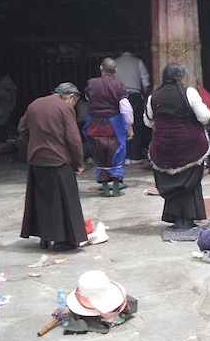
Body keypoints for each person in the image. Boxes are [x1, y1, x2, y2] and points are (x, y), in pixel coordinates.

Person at [18, 82, 88, 252]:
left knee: (42, 202)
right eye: (74, 103)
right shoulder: (64, 108)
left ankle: (44, 237)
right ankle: (63, 241)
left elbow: (22, 129)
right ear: (71, 97)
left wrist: (36, 143)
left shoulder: (34, 104)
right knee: (63, 203)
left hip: (36, 160)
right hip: (58, 161)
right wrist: (79, 162)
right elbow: (73, 138)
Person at [144, 63, 210, 231]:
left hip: (164, 148)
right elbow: (204, 117)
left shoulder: (155, 96)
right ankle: (188, 219)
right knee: (190, 182)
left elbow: (147, 121)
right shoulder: (189, 92)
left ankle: (175, 219)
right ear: (181, 77)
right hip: (190, 148)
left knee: (173, 180)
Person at [82, 57, 134, 196]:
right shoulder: (119, 85)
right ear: (115, 70)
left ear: (101, 68)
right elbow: (126, 108)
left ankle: (105, 190)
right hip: (114, 126)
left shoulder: (91, 83)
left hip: (94, 125)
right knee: (116, 155)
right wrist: (129, 126)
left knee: (100, 156)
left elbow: (88, 98)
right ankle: (116, 189)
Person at [113, 47, 151, 164]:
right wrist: (143, 95)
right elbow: (145, 82)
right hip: (135, 96)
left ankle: (125, 157)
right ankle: (135, 157)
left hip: (118, 96)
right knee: (137, 125)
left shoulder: (114, 63)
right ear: (134, 53)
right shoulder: (138, 62)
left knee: (121, 125)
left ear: (121, 52)